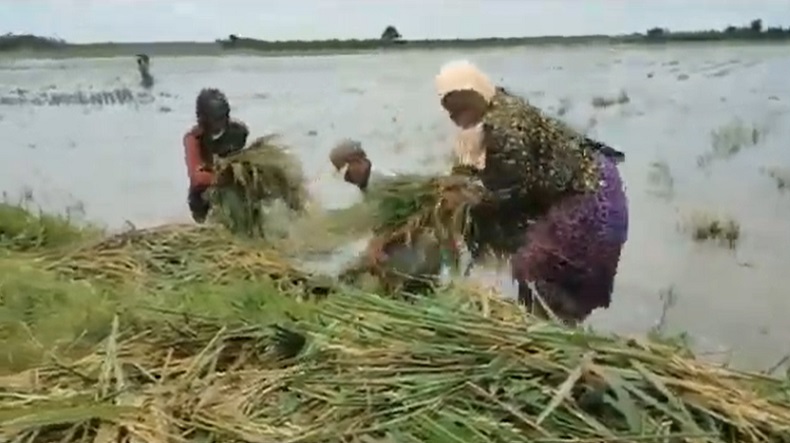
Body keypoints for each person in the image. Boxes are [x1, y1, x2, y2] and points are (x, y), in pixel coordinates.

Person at [434, 60, 629, 325]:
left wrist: (467, 203)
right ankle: (550, 339)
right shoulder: (499, 107)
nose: (455, 115)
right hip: (594, 186)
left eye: (462, 104)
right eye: (450, 109)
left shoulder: (503, 126)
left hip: (590, 197)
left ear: (479, 90)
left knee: (543, 276)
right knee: (538, 277)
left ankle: (552, 345)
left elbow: (513, 192)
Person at [183, 88, 249, 223]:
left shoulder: (238, 133)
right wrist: (224, 178)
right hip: (205, 197)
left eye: (222, 117)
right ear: (204, 119)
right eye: (216, 119)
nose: (220, 123)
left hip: (235, 189)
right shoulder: (194, 139)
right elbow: (197, 178)